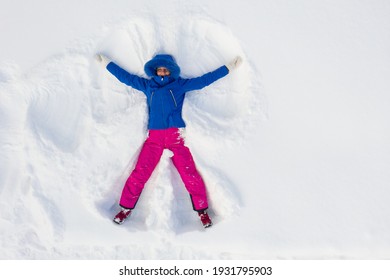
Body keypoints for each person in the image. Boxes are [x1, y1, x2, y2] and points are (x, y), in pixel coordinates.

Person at [95, 53, 242, 228]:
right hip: (154, 139)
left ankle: (202, 212)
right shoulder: (148, 86)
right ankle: (125, 209)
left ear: (171, 71)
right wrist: (107, 64)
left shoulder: (179, 86)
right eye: (159, 70)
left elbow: (205, 80)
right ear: (155, 71)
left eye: (165, 70)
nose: (162, 73)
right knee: (139, 173)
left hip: (175, 138)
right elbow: (125, 77)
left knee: (190, 174)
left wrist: (228, 67)